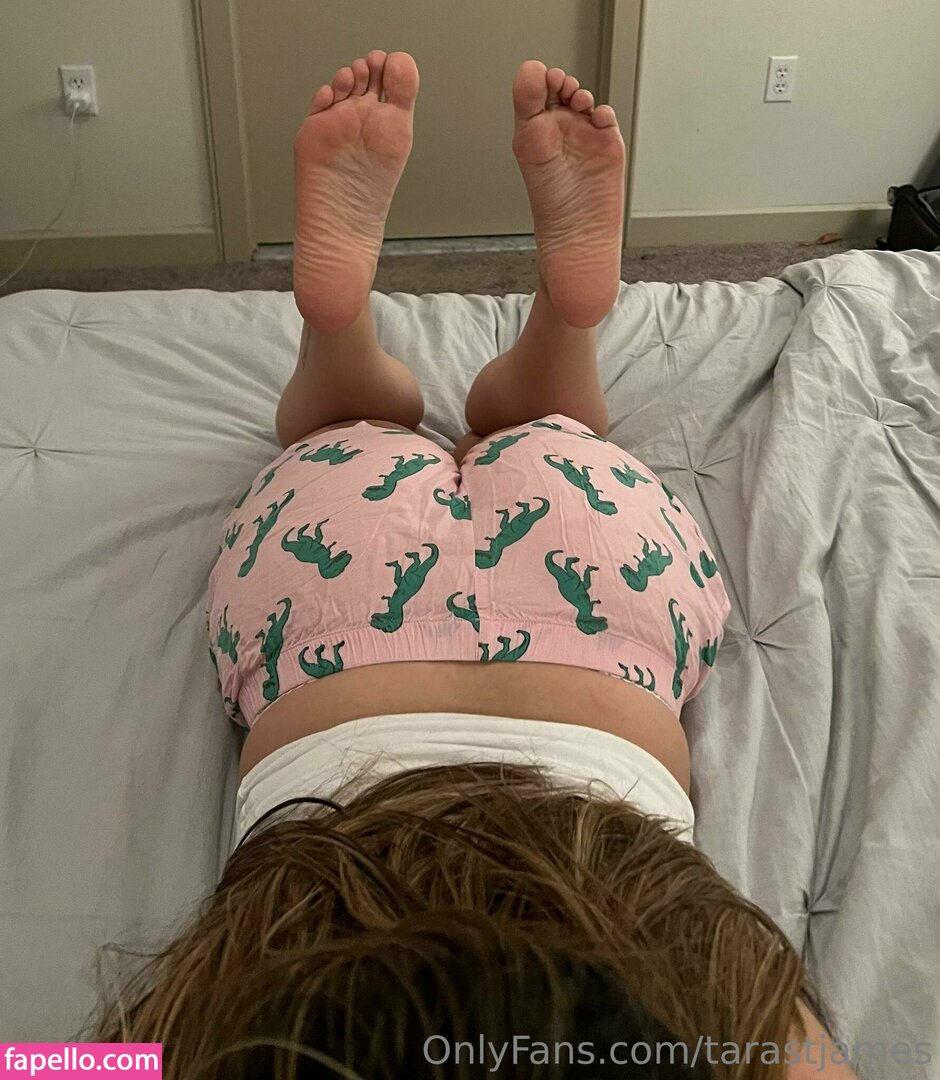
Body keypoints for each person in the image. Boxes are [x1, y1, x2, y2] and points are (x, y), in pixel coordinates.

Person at [91, 52, 857, 1080]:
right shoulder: (235, 1042)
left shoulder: (717, 1034)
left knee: (544, 437)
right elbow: (66, 1067)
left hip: (603, 637)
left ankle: (466, 330)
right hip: (332, 640)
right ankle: (394, 334)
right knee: (347, 437)